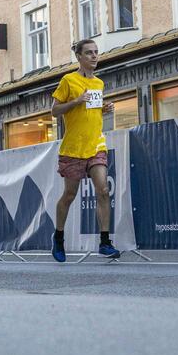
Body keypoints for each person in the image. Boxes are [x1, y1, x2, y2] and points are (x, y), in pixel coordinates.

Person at [50, 39, 120, 262]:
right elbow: (54, 111)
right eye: (89, 53)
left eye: (96, 52)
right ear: (79, 57)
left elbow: (93, 111)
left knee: (103, 191)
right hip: (73, 147)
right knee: (69, 195)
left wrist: (104, 108)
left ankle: (105, 242)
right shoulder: (68, 80)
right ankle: (58, 238)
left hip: (95, 144)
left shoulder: (99, 83)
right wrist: (77, 101)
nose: (94, 56)